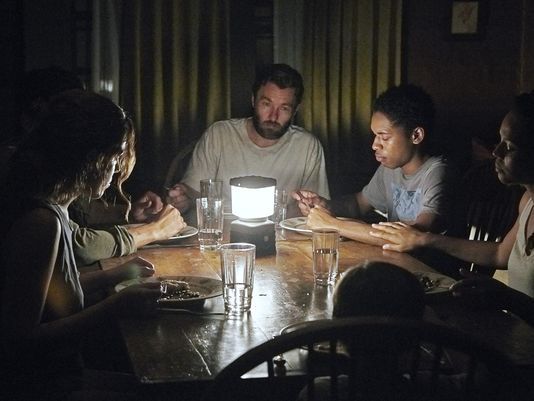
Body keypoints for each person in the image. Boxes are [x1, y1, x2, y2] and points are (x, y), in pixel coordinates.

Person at [0, 89, 165, 400]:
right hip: (42, 387)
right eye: (114, 156)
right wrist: (114, 305)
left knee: (160, 389)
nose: (117, 168)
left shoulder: (56, 206)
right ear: (90, 158)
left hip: (63, 376)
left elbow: (51, 291)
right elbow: (19, 339)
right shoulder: (41, 221)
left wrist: (114, 274)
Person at [2, 66, 186, 266]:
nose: (81, 116)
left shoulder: (50, 183)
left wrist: (128, 213)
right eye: (70, 109)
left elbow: (76, 218)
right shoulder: (15, 171)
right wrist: (154, 231)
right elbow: (76, 244)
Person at [369, 91, 534, 299]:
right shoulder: (527, 202)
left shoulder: (438, 170)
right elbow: (499, 254)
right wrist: (425, 239)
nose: (496, 152)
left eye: (509, 146)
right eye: (500, 140)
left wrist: (505, 297)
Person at [292, 84, 455, 249]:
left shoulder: (437, 172)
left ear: (416, 135)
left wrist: (331, 224)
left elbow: (413, 237)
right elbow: (358, 204)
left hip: (425, 264)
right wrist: (325, 206)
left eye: (384, 137)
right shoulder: (390, 168)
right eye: (375, 135)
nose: (375, 145)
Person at [166, 63, 330, 219]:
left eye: (284, 108)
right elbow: (193, 193)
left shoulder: (307, 146)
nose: (273, 116)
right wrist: (182, 198)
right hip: (223, 233)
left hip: (282, 235)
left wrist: (315, 206)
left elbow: (316, 209)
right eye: (266, 104)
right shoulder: (219, 135)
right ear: (253, 100)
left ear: (295, 110)